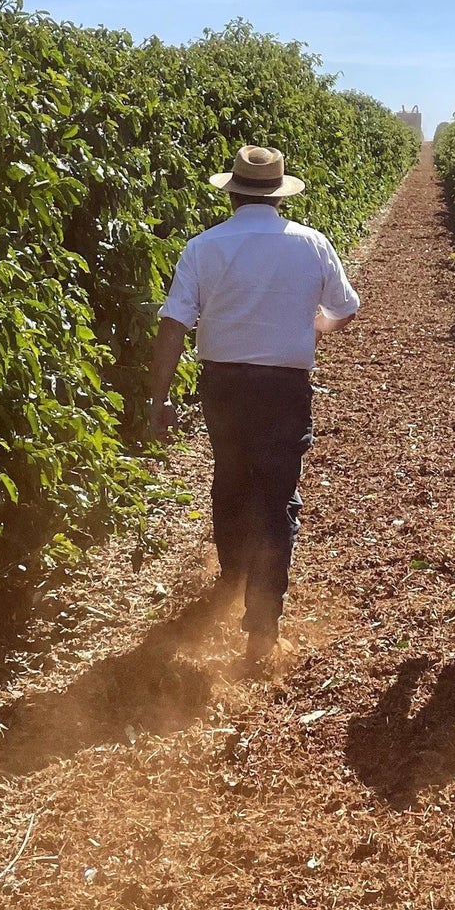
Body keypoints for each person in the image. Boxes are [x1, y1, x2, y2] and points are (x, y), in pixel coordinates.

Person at [148, 144, 360, 668]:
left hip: (223, 386)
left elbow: (173, 323)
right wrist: (315, 327)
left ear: (234, 193)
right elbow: (345, 307)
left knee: (231, 476)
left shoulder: (203, 247)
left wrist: (159, 398)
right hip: (284, 387)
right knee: (277, 493)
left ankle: (232, 574)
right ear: (278, 195)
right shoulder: (310, 244)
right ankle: (262, 624)